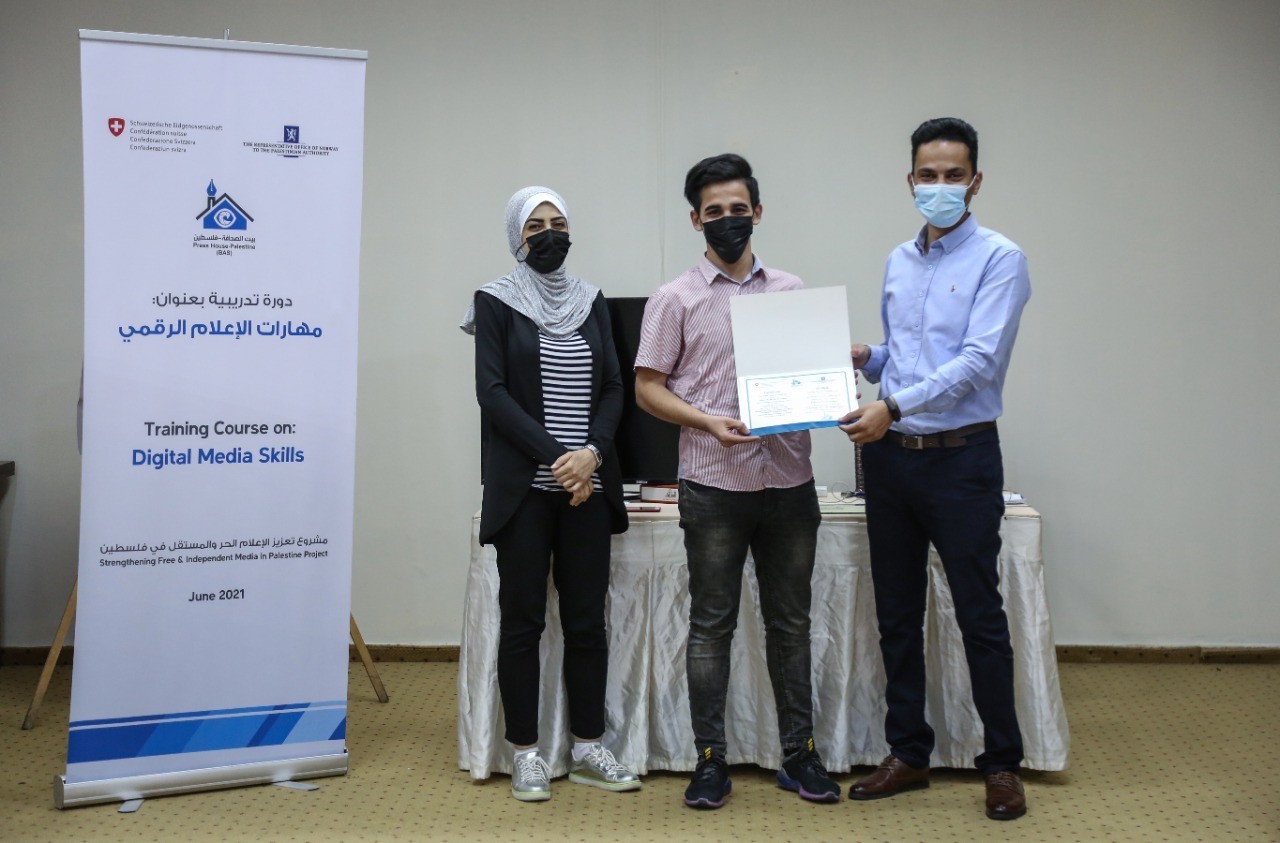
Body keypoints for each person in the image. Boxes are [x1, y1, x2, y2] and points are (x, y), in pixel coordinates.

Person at [839, 118, 1032, 820]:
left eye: (954, 175)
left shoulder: (1000, 258)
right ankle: (908, 752)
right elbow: (908, 354)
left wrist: (891, 403)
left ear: (975, 181)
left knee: (979, 615)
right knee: (896, 614)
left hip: (961, 460)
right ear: (910, 180)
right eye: (929, 174)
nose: (940, 186)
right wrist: (869, 358)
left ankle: (1001, 763)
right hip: (892, 461)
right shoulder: (900, 260)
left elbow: (977, 362)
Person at [634, 154, 840, 809]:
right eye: (714, 211)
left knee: (792, 625)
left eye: (738, 209)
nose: (728, 220)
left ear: (758, 212)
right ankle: (709, 760)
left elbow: (812, 377)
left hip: (789, 482)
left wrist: (832, 389)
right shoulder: (674, 299)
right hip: (713, 484)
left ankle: (799, 755)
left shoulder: (791, 290)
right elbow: (646, 388)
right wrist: (706, 421)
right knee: (710, 627)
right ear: (696, 220)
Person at [461, 185, 640, 802]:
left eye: (557, 223)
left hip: (587, 488)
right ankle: (526, 754)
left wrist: (591, 455)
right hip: (526, 494)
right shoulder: (495, 300)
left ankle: (589, 748)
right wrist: (561, 461)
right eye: (534, 225)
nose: (548, 234)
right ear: (516, 236)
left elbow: (613, 387)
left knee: (588, 622)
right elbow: (492, 392)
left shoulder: (592, 301)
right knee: (523, 623)